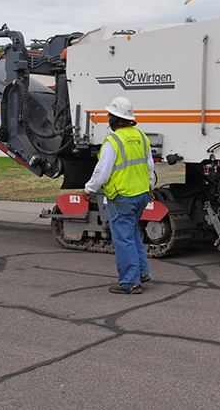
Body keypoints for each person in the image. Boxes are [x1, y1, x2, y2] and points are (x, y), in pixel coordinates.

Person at [84, 96, 155, 294]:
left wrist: (88, 189)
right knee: (131, 232)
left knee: (123, 238)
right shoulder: (142, 137)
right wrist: (150, 186)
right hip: (141, 194)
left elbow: (102, 171)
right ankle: (141, 272)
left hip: (123, 196)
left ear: (115, 119)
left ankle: (129, 282)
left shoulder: (113, 141)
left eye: (110, 115)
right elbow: (150, 166)